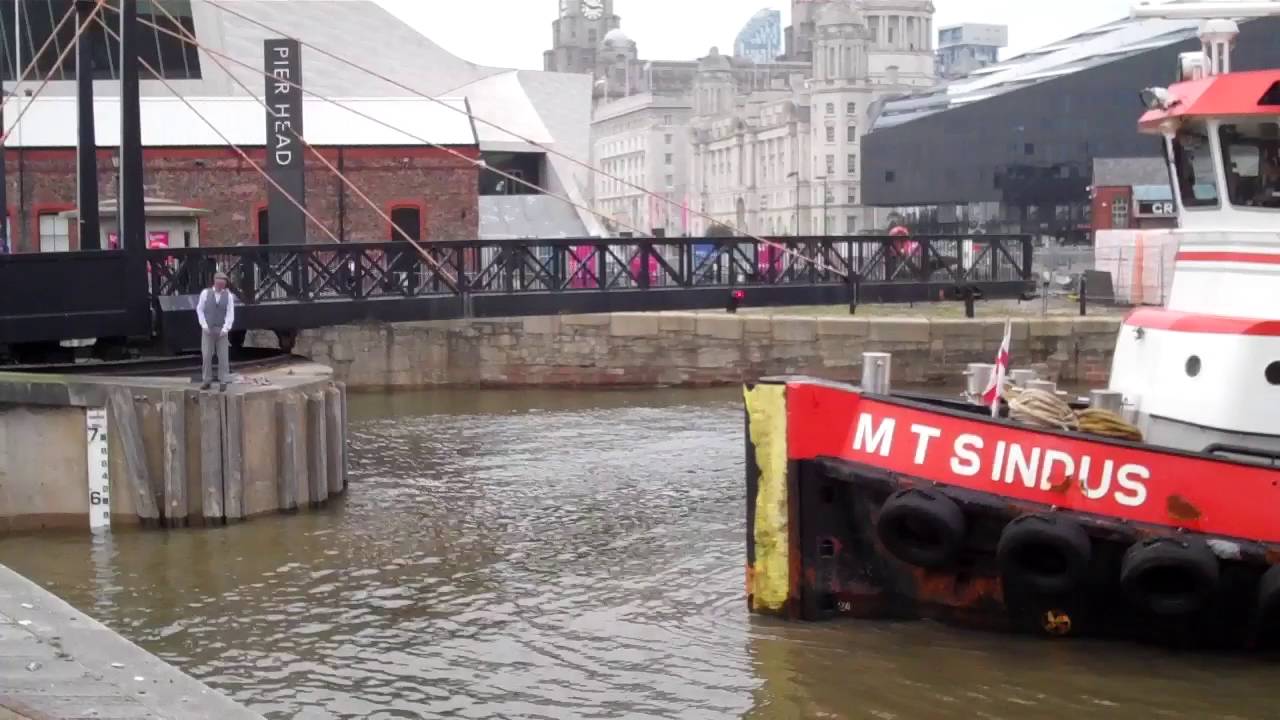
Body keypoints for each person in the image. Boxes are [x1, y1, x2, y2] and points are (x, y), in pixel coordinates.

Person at [196, 271, 236, 391]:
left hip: (222, 329)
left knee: (223, 357)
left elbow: (230, 313)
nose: (221, 286)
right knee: (207, 355)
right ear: (215, 282)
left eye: (223, 284)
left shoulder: (228, 296)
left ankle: (223, 381)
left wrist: (226, 328)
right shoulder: (205, 293)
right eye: (219, 284)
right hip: (208, 329)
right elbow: (200, 309)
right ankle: (206, 380)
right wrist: (203, 325)